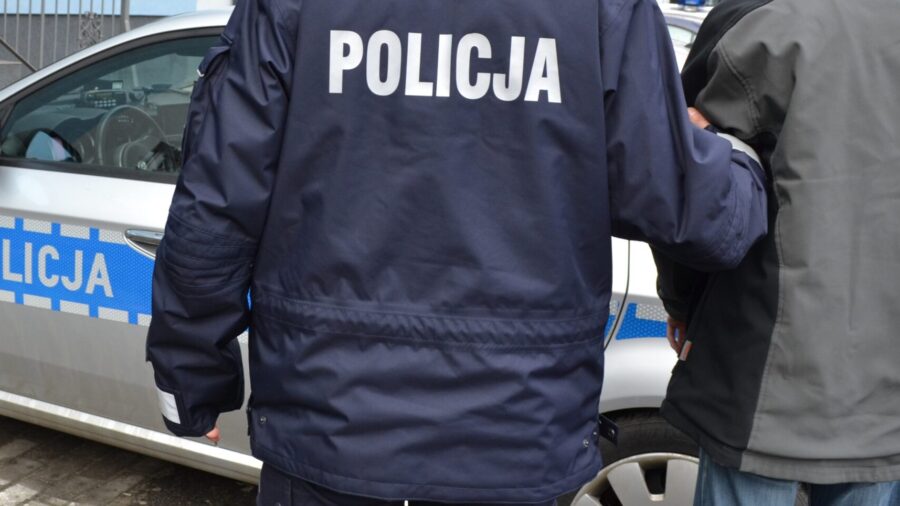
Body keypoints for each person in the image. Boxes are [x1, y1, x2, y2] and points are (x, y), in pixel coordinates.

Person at [145, 0, 767, 504]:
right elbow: (682, 203)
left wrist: (191, 376)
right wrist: (744, 160)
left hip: (332, 426)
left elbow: (218, 201)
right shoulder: (604, 11)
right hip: (512, 431)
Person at [654, 0, 900, 505]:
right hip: (884, 399)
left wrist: (680, 302)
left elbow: (685, 178)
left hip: (760, 384)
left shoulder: (757, 21)